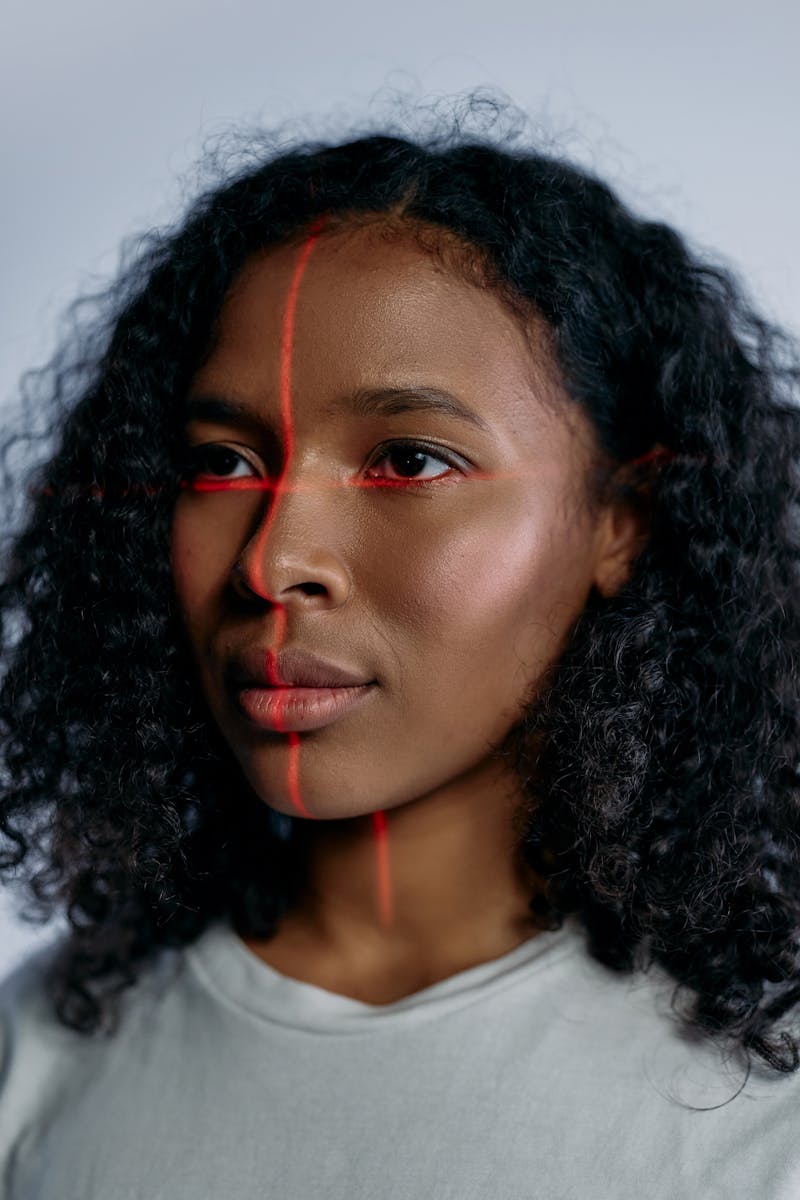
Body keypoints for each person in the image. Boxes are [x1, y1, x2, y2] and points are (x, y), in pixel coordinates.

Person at [1, 99, 800, 1198]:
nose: (272, 563)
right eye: (224, 464)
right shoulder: (39, 1056)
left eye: (410, 463)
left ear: (622, 518)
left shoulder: (766, 1113)